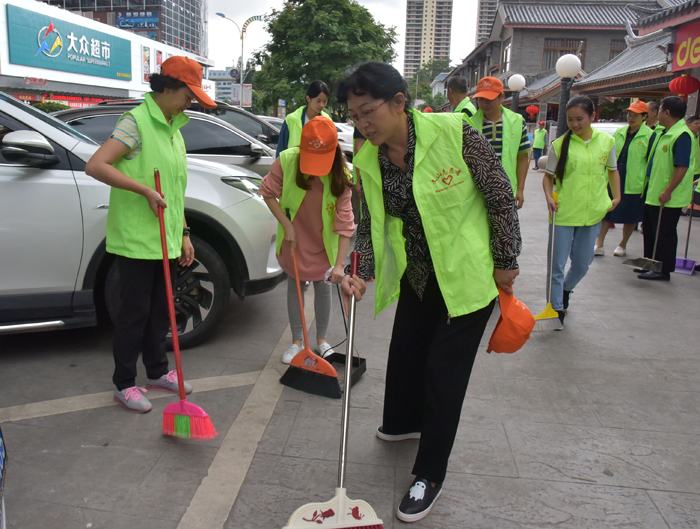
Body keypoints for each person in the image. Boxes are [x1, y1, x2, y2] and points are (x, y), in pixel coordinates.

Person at [336, 62, 521, 523]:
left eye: (368, 111)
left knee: (443, 375)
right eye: (354, 116)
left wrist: (506, 260)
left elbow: (499, 195)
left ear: (399, 102)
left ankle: (430, 474)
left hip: (466, 276)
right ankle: (404, 424)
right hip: (418, 275)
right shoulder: (369, 159)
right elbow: (370, 224)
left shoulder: (455, 133)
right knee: (406, 356)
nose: (362, 124)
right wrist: (360, 272)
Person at [85, 56, 214, 412]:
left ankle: (157, 372)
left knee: (161, 311)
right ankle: (124, 383)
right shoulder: (136, 122)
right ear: (168, 87)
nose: (191, 102)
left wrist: (184, 233)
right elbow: (96, 165)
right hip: (137, 240)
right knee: (135, 313)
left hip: (167, 239)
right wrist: (142, 190)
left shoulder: (174, 130)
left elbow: (174, 191)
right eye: (189, 94)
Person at [260, 116, 354, 363]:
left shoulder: (342, 174)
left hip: (324, 241)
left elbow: (345, 223)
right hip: (296, 237)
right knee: (296, 286)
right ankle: (297, 342)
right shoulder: (287, 161)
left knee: (324, 287)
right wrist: (286, 224)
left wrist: (340, 265)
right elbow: (267, 192)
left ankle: (322, 341)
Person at [543, 95, 621, 325]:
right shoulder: (559, 145)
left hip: (593, 212)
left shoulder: (607, 141)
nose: (575, 124)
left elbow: (612, 170)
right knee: (556, 265)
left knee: (582, 264)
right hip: (564, 212)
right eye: (570, 120)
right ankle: (556, 307)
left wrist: (617, 196)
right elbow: (548, 178)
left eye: (580, 119)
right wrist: (548, 197)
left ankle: (566, 289)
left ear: (592, 116)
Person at [639, 96, 698, 281]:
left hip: (667, 196)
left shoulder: (682, 135)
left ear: (667, 112)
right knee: (650, 230)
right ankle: (650, 264)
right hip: (654, 192)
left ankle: (663, 269)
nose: (656, 114)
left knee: (664, 233)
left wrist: (668, 191)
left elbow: (682, 167)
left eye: (659, 110)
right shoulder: (664, 132)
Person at [594, 101, 653, 257]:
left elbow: (650, 161)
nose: (631, 118)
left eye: (635, 115)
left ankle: (622, 244)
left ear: (644, 117)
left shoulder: (650, 136)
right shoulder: (620, 132)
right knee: (606, 211)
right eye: (629, 115)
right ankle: (599, 243)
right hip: (614, 176)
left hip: (634, 180)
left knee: (630, 215)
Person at [471, 76, 532, 209]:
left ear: (502, 97)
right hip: (477, 192)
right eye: (481, 99)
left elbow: (522, 157)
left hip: (507, 190)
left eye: (489, 99)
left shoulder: (517, 121)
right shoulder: (470, 124)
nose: (485, 103)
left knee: (505, 222)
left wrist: (520, 189)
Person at [275, 80, 332, 157]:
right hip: (294, 164)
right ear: (308, 98)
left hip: (318, 163)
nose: (322, 105)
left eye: (324, 101)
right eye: (318, 101)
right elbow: (281, 151)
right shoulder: (291, 120)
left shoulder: (327, 121)